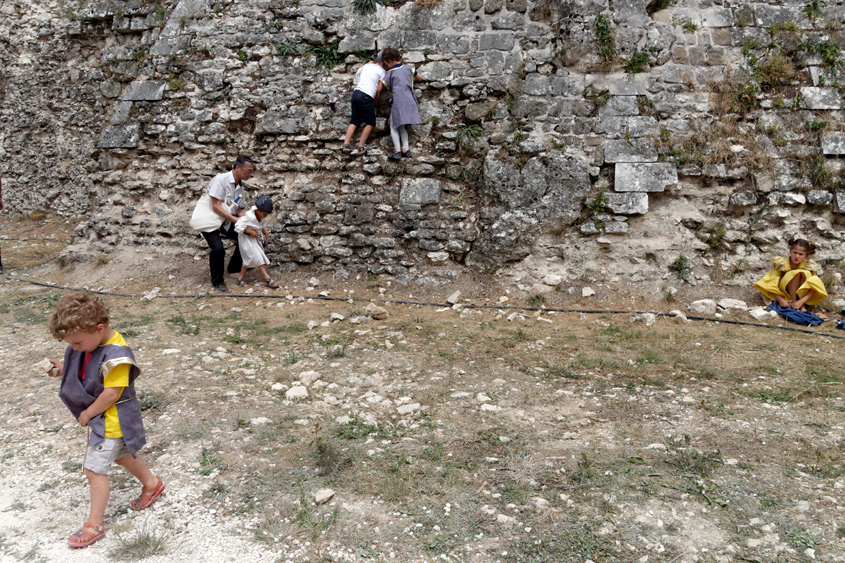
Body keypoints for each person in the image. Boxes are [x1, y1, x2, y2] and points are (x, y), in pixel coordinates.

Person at [46, 293, 164, 549]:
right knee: (122, 455)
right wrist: (63, 367)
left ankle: (94, 524)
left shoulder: (117, 356)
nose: (74, 348)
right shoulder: (91, 343)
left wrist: (88, 413)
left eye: (77, 343)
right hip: (106, 420)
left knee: (94, 469)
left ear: (99, 329)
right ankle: (152, 485)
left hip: (113, 421)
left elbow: (111, 393)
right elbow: (86, 365)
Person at [201, 155, 256, 292]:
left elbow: (237, 210)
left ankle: (235, 266)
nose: (250, 174)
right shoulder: (221, 180)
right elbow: (216, 206)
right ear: (237, 167)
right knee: (218, 249)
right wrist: (235, 220)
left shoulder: (240, 188)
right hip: (210, 220)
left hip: (225, 221)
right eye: (247, 171)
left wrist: (249, 220)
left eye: (251, 172)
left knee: (246, 235)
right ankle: (218, 281)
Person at [754, 238, 828, 312]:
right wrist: (781, 300)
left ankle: (801, 305)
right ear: (790, 252)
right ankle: (793, 303)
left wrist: (801, 301)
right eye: (795, 252)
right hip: (783, 293)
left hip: (800, 298)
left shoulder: (808, 265)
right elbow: (769, 283)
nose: (797, 256)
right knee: (795, 274)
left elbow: (814, 286)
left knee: (805, 273)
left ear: (806, 256)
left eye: (801, 254)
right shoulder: (782, 263)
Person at [380, 47, 422, 160]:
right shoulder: (409, 68)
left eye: (385, 63)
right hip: (409, 100)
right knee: (402, 126)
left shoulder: (391, 72)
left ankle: (397, 150)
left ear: (389, 61)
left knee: (393, 126)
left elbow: (386, 86)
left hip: (398, 102)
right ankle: (406, 149)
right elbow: (419, 78)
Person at [341, 52, 386, 155]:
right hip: (366, 95)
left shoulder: (367, 66)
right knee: (371, 122)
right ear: (383, 63)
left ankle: (346, 144)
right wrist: (376, 102)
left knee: (354, 120)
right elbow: (379, 89)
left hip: (356, 93)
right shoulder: (382, 71)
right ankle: (361, 145)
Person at [234, 194, 279, 288]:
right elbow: (238, 226)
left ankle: (240, 278)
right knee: (257, 256)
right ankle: (267, 278)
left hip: (254, 239)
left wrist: (265, 233)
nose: (265, 216)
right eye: (264, 214)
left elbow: (260, 225)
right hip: (245, 239)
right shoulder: (249, 217)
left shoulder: (261, 216)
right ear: (257, 210)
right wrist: (249, 231)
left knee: (249, 259)